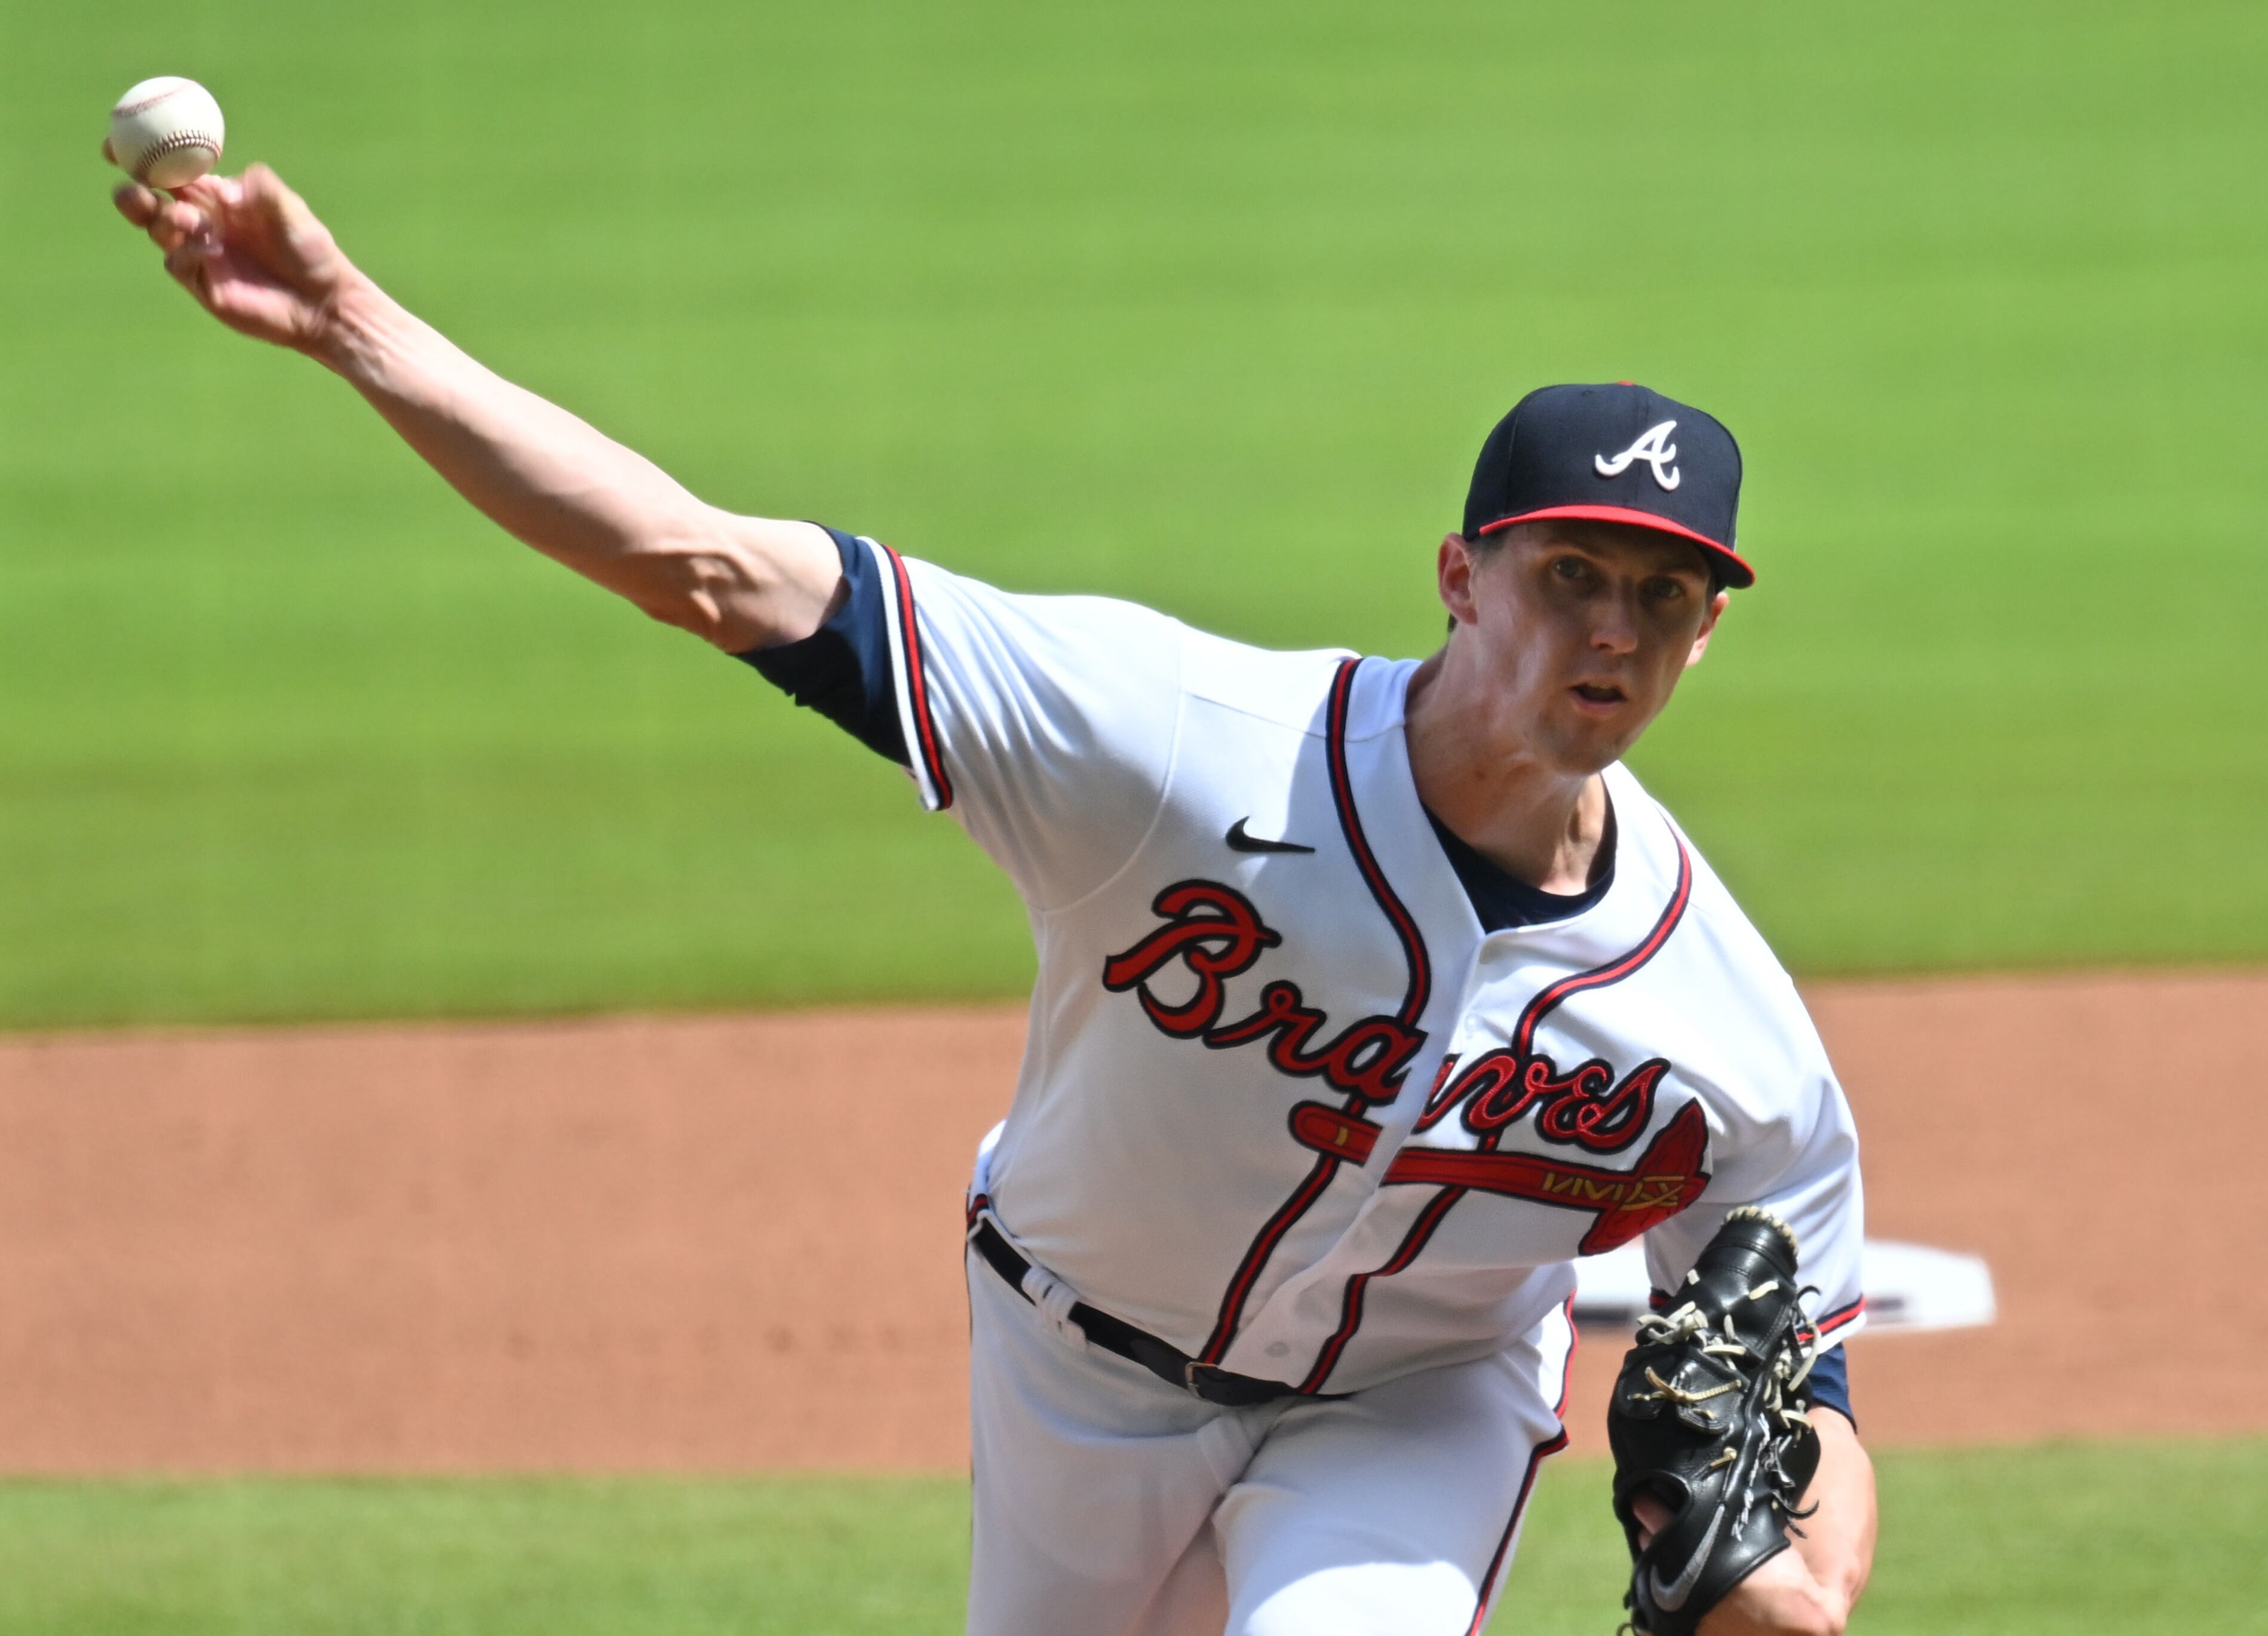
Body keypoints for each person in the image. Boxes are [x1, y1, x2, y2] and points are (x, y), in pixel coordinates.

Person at [112, 165, 1878, 1636]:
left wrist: (1804, 1598)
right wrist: (354, 325)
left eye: (1663, 594)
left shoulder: (1725, 1028)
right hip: (1070, 1370)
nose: (1615, 632)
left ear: (1708, 627)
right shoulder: (1170, 743)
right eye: (1570, 574)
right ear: (1461, 579)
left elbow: (1818, 1383)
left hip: (1406, 1413)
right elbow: (708, 564)